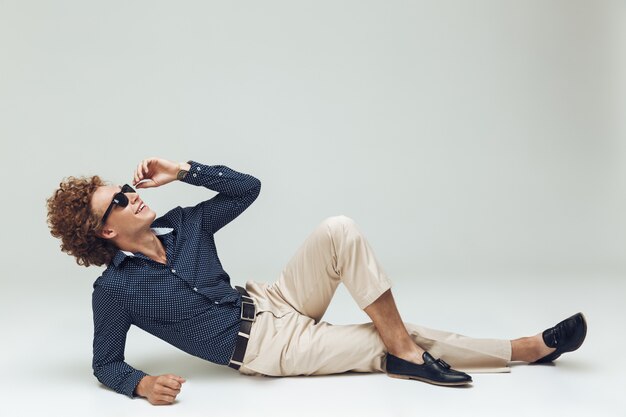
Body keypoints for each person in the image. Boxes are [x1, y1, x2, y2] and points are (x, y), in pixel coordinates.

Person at [46, 156, 587, 405]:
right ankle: (523, 349)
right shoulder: (114, 291)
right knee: (383, 337)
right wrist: (139, 385)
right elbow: (106, 363)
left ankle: (402, 352)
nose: (127, 193)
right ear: (105, 231)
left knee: (337, 229)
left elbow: (247, 189)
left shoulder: (184, 223)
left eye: (121, 186)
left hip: (270, 299)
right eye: (115, 201)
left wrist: (184, 170)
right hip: (263, 347)